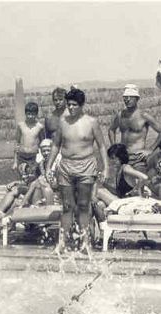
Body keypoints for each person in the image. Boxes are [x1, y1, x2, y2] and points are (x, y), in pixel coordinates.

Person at [46, 88, 108, 254]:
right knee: (66, 206)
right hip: (66, 166)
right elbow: (55, 145)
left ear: (81, 105)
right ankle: (62, 243)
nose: (71, 108)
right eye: (69, 104)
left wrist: (106, 168)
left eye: (74, 105)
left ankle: (85, 242)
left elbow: (102, 146)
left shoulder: (91, 122)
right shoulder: (62, 122)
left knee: (83, 205)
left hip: (86, 166)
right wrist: (48, 166)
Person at [108, 84, 161, 175]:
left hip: (138, 157)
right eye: (125, 97)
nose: (127, 99)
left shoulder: (144, 115)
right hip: (122, 156)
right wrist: (114, 147)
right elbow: (111, 130)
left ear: (137, 99)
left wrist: (150, 149)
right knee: (122, 186)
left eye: (131, 97)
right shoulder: (120, 115)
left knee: (138, 185)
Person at [13, 102, 46, 173]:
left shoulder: (40, 127)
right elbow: (17, 143)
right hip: (21, 156)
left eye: (32, 114)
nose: (30, 116)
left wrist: (42, 159)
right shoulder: (20, 126)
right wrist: (15, 162)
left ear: (36, 114)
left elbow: (42, 143)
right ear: (25, 113)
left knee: (33, 176)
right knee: (22, 177)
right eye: (28, 114)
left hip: (33, 156)